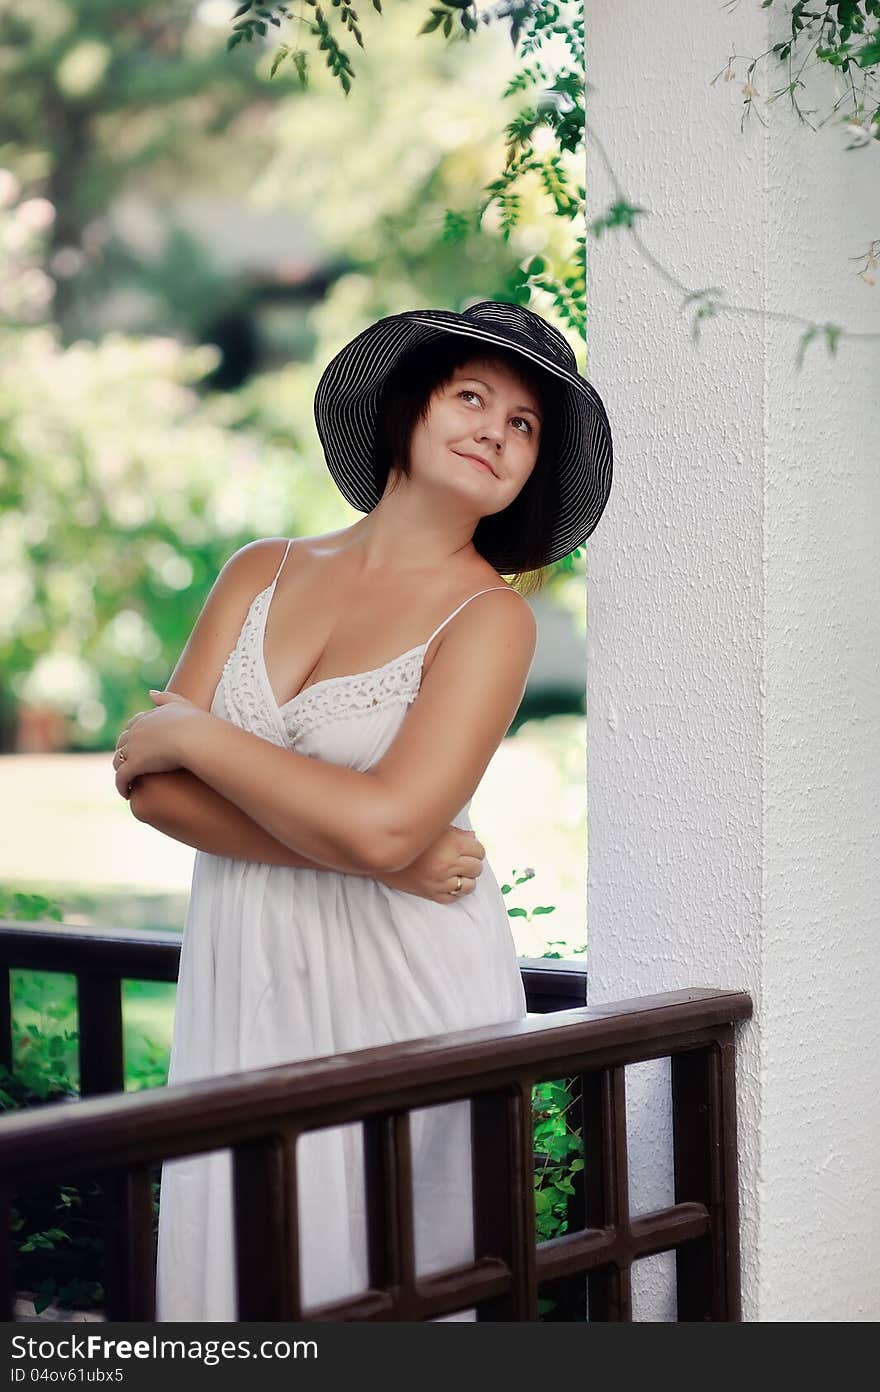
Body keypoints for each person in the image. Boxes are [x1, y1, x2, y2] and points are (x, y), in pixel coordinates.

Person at [112, 299, 613, 1321]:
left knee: (384, 1288)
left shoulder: (491, 620)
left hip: (406, 990)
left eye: (525, 425)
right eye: (471, 396)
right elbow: (152, 790)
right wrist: (373, 851)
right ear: (404, 412)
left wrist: (203, 735)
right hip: (248, 971)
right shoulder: (261, 569)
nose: (494, 431)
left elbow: (384, 820)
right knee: (246, 1276)